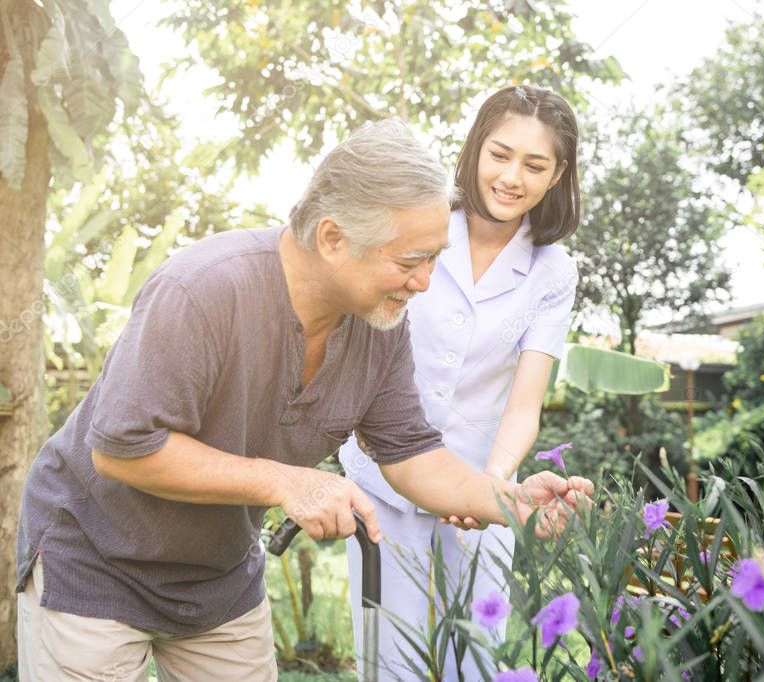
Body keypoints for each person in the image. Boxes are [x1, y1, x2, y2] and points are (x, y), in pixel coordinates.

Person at [14, 118, 592, 681]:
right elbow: (122, 450)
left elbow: (413, 454)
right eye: (411, 261)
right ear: (333, 238)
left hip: (218, 577)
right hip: (98, 561)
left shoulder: (380, 326)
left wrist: (516, 503)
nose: (425, 282)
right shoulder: (203, 290)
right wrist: (287, 481)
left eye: (435, 257)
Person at [341, 85, 581, 680]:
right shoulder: (420, 225)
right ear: (475, 149)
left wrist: (491, 487)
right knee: (385, 655)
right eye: (500, 154)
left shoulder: (553, 271)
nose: (511, 176)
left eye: (534, 164)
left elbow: (525, 403)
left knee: (474, 655)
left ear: (557, 175)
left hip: (481, 475)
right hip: (381, 475)